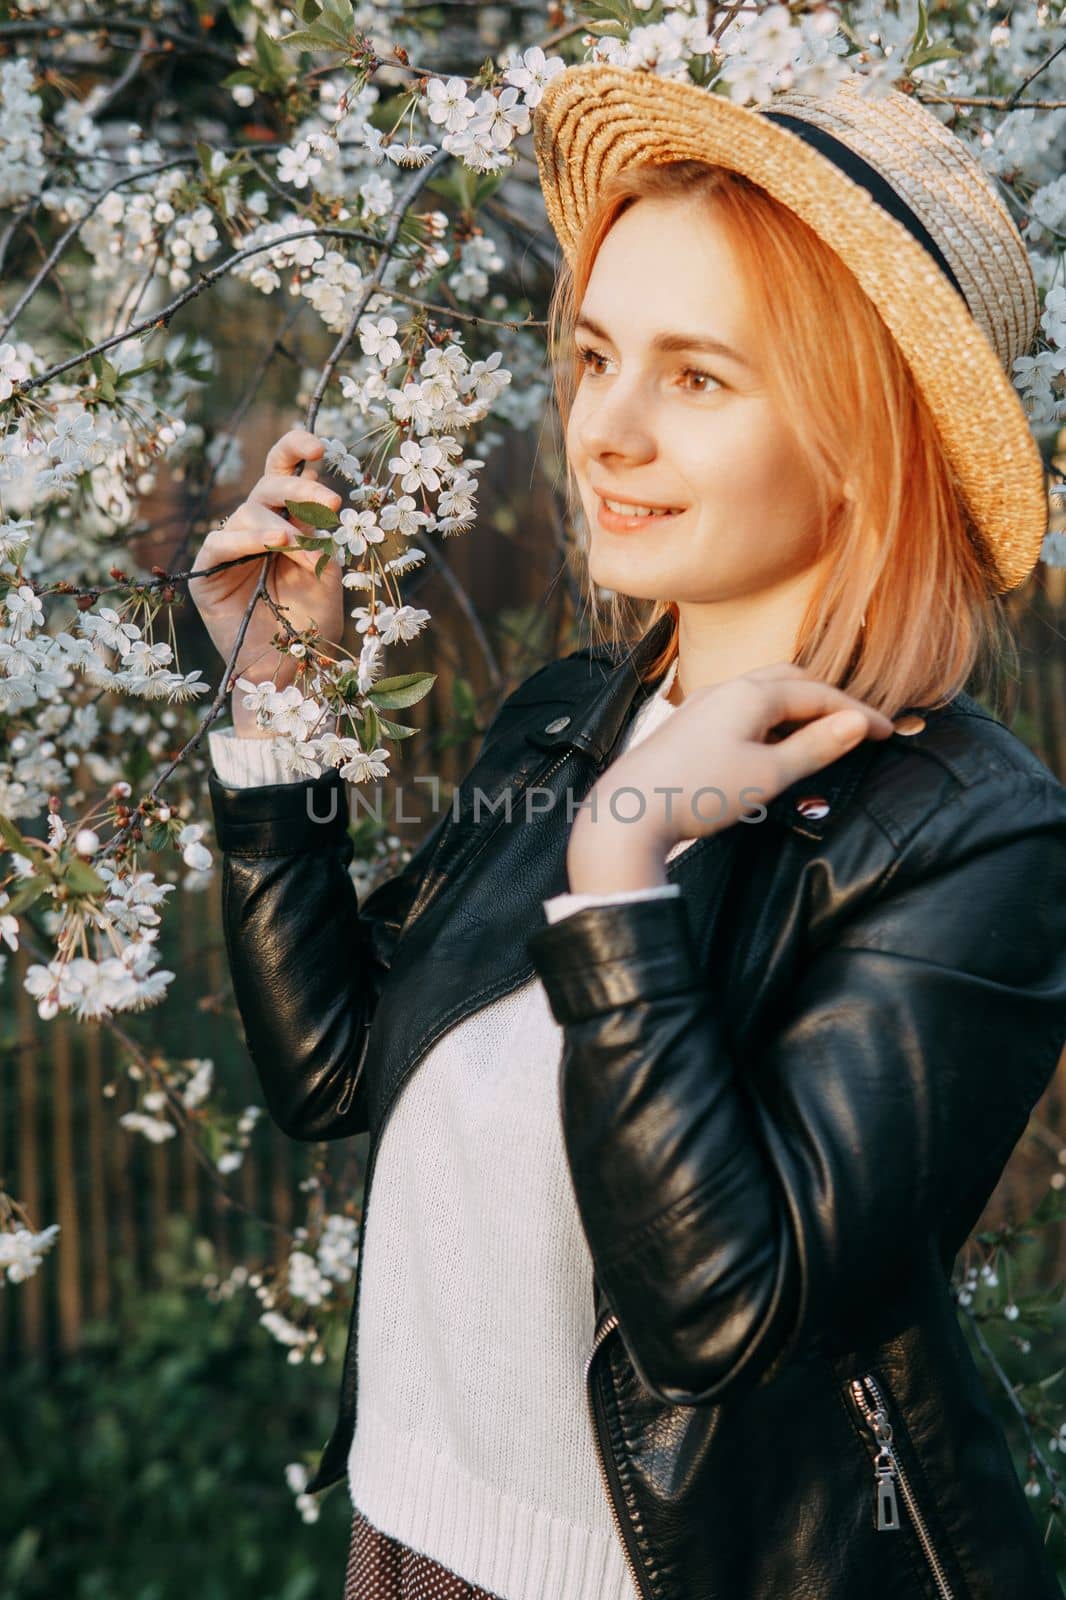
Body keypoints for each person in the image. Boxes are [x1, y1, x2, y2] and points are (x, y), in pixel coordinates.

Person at [191, 64, 1066, 1600]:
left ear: (864, 439)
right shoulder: (570, 714)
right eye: (598, 355)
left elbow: (723, 1320)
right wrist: (275, 719)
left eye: (699, 378)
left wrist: (622, 868)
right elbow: (336, 1069)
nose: (605, 427)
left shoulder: (969, 838)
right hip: (406, 1545)